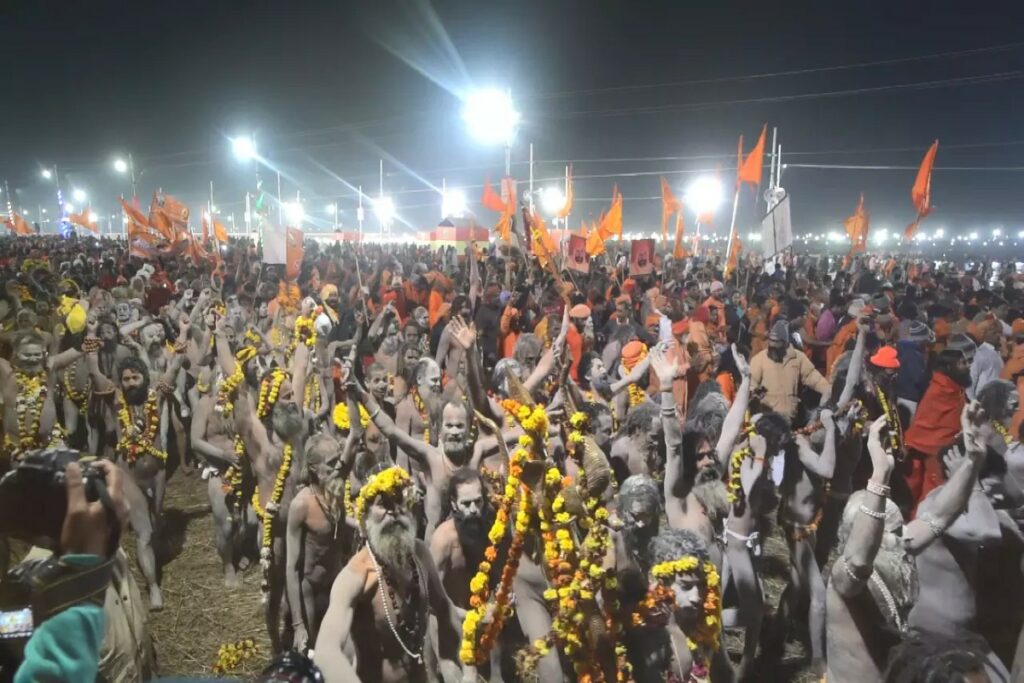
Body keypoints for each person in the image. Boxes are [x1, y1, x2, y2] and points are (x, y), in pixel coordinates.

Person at [313, 466, 463, 682]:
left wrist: (453, 664)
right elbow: (326, 652)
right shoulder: (356, 576)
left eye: (400, 500)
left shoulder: (420, 555)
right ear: (365, 516)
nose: (394, 511)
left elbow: (443, 607)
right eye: (383, 504)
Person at [750, 319, 831, 421]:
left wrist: (829, 390)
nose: (773, 349)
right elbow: (751, 384)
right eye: (771, 345)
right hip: (768, 419)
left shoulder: (798, 358)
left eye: (776, 346)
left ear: (785, 344)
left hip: (791, 417)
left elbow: (813, 377)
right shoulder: (759, 359)